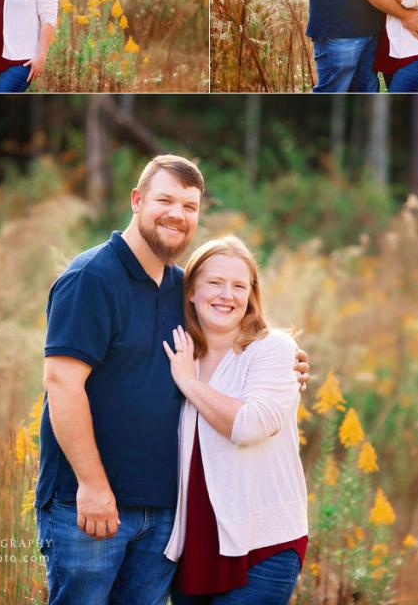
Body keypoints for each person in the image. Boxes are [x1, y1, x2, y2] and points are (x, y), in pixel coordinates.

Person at [36, 155, 309, 605]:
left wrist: (287, 361)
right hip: (91, 505)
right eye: (165, 200)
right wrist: (92, 485)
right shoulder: (91, 278)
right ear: (137, 200)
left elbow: (237, 327)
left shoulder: (182, 289)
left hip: (164, 515)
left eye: (189, 206)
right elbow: (62, 384)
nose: (177, 215)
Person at [163, 236, 308, 605]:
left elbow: (249, 424)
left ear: (251, 295)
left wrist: (189, 385)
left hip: (263, 544)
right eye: (214, 283)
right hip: (196, 545)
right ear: (191, 290)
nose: (226, 294)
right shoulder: (181, 352)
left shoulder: (274, 350)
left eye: (239, 286)